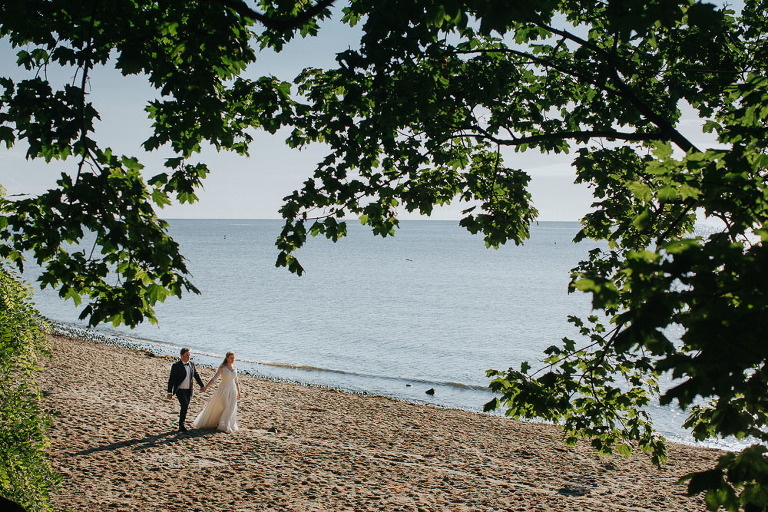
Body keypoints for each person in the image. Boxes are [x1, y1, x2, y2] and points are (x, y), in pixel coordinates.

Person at [192, 351, 241, 432]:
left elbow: (236, 381)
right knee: (225, 406)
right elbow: (214, 378)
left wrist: (239, 392)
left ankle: (227, 424)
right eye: (231, 358)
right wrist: (206, 387)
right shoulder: (223, 368)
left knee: (231, 407)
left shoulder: (235, 368)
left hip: (233, 390)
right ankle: (220, 423)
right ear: (227, 358)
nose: (232, 359)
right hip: (224, 389)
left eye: (233, 358)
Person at [167, 347, 205, 432]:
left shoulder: (191, 364)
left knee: (186, 406)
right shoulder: (176, 366)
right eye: (186, 355)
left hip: (188, 389)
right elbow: (171, 379)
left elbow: (196, 375)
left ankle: (181, 423)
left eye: (189, 355)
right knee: (184, 405)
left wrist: (202, 386)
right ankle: (181, 425)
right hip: (180, 389)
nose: (188, 357)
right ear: (181, 355)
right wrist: (169, 392)